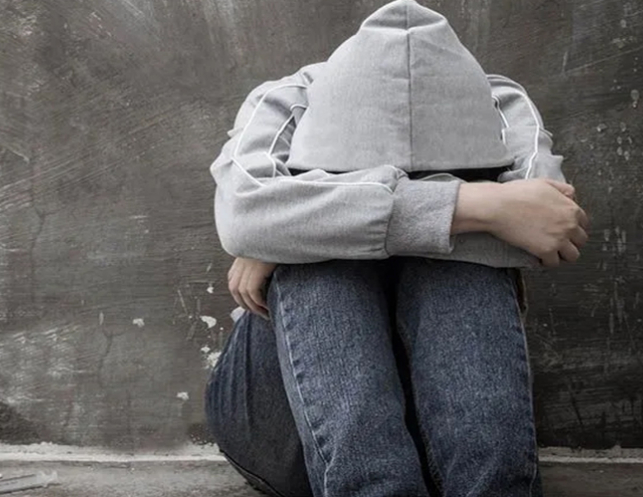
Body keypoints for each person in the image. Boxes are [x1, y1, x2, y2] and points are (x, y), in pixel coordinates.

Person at [203, 1, 589, 497]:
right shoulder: (288, 97)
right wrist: (482, 203)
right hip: (286, 437)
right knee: (323, 269)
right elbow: (243, 213)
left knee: (452, 265)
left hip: (441, 446)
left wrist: (301, 219)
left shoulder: (499, 99)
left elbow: (552, 227)